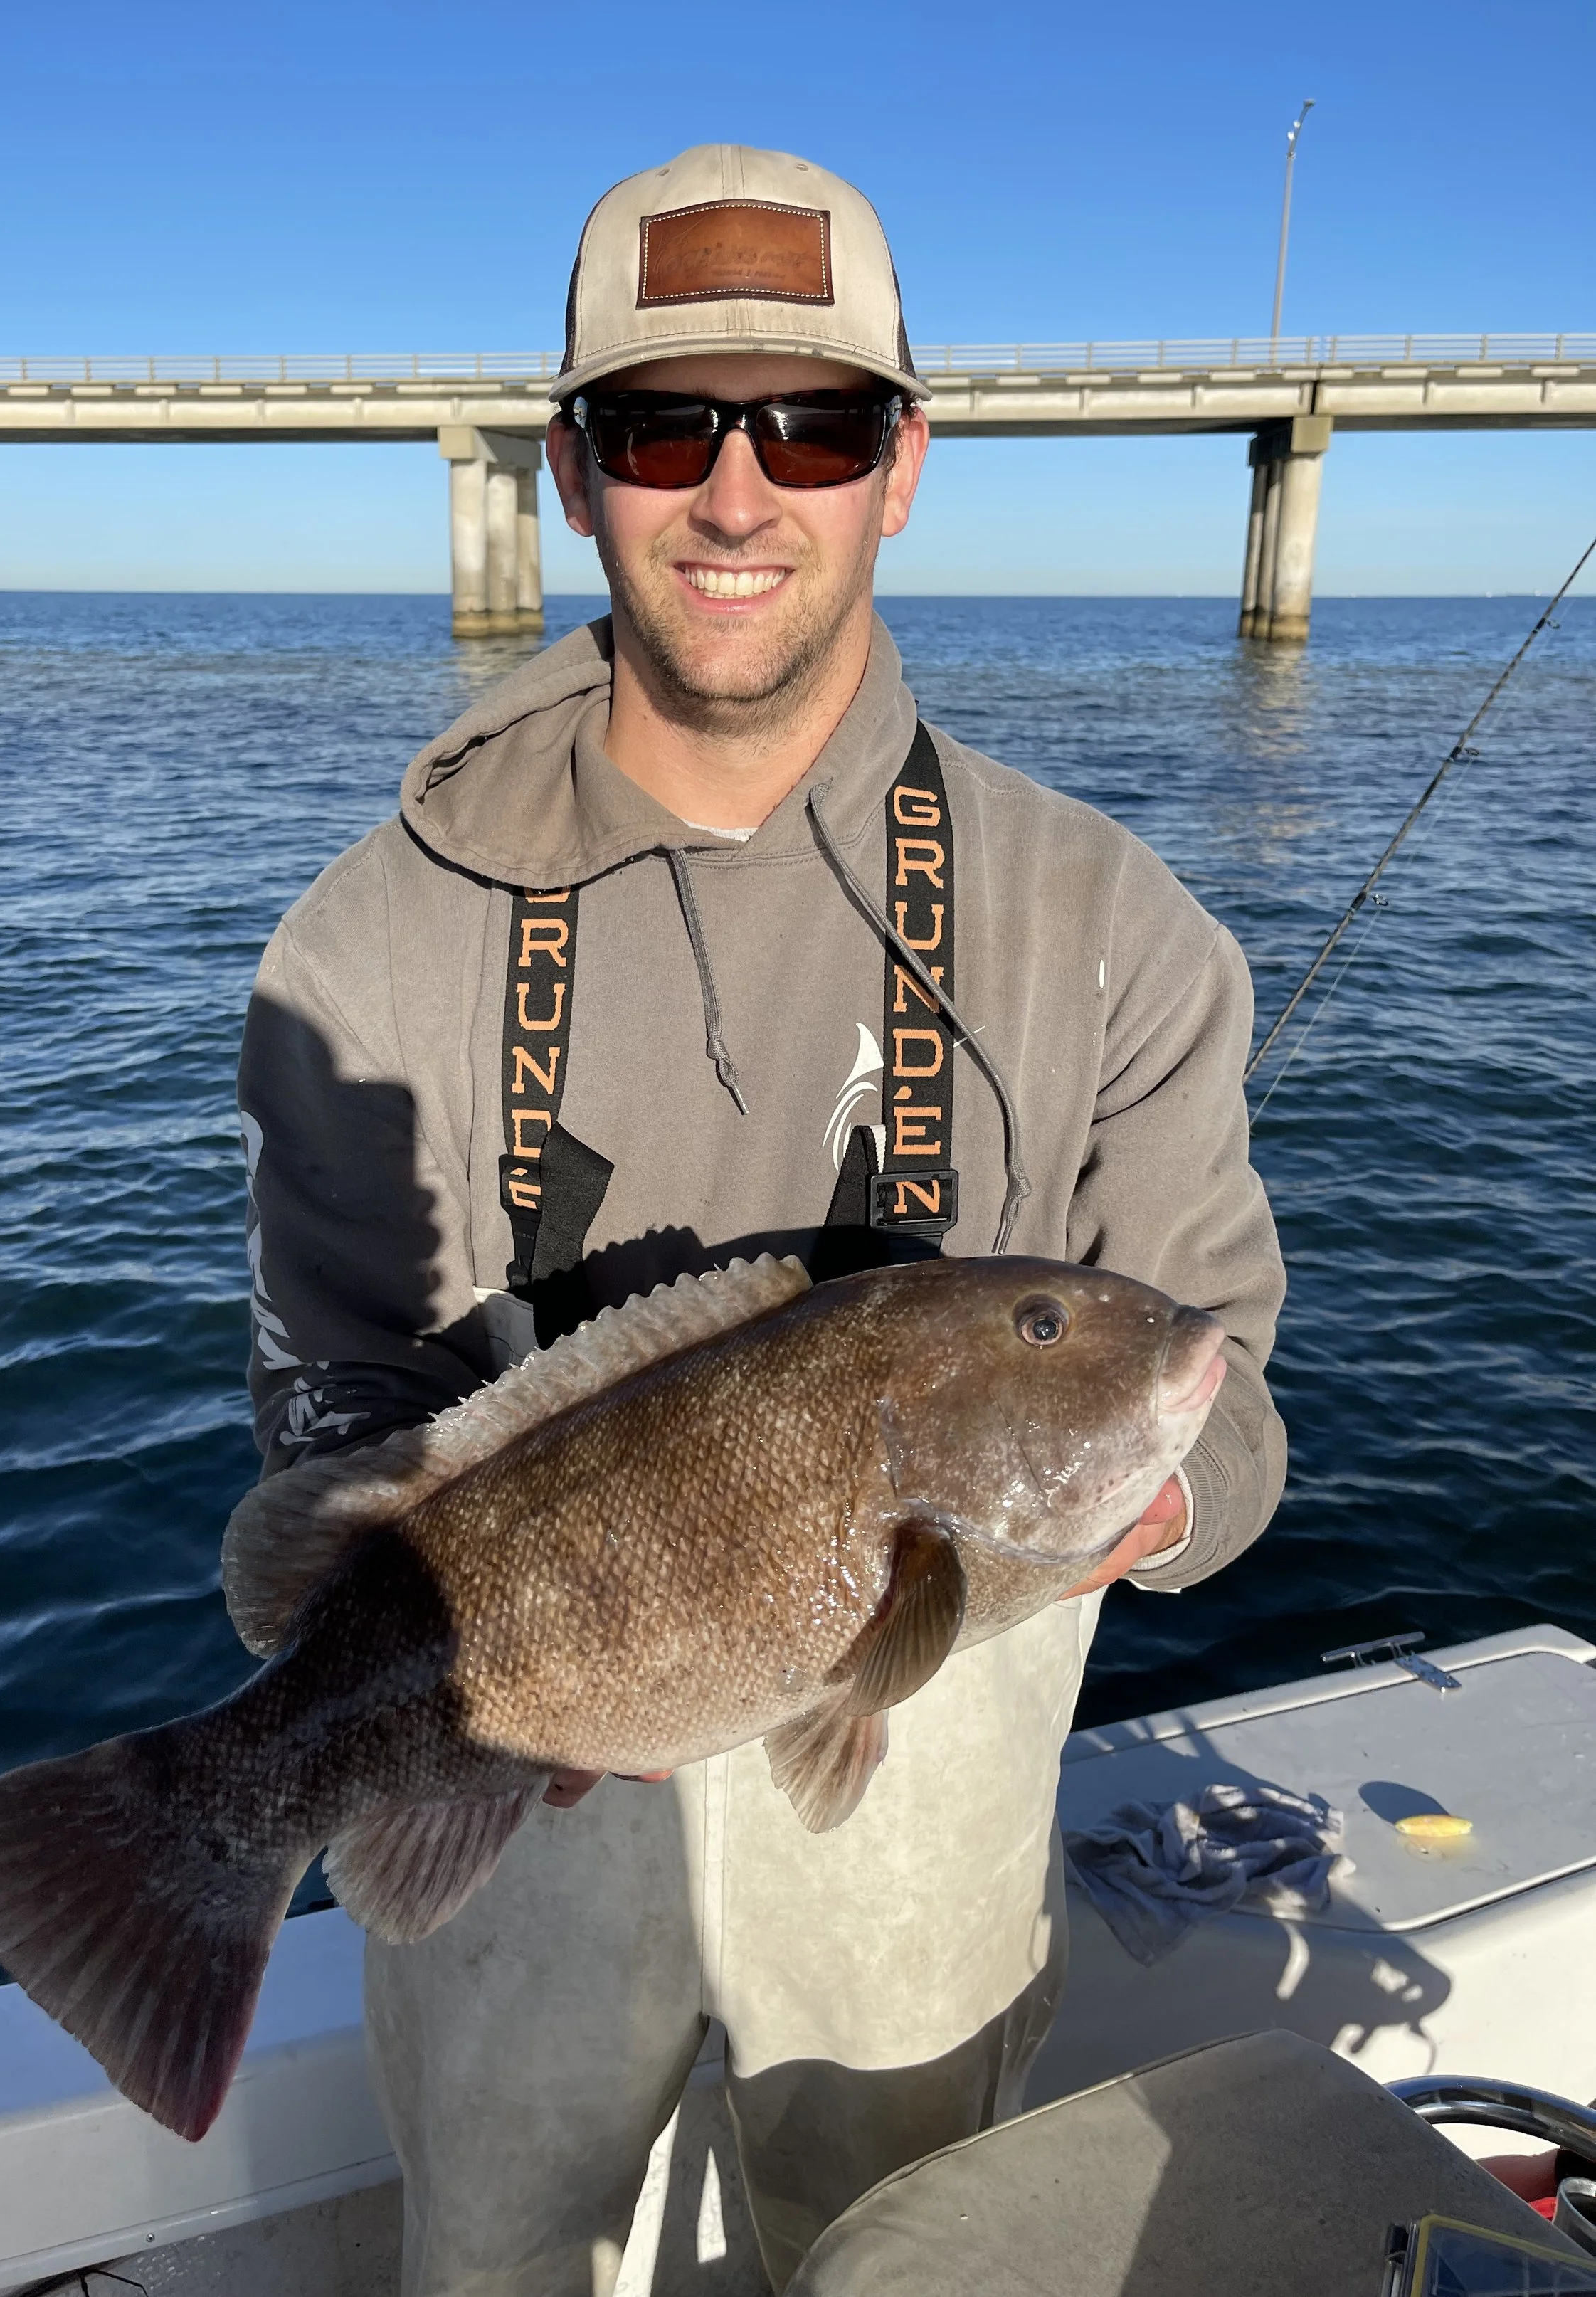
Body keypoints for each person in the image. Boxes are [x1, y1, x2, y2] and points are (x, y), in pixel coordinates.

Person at [232, 144, 1286, 2297]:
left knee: (906, 2248)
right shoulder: (361, 953)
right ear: (570, 470)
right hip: (508, 1760)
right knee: (496, 2252)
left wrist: (1146, 1498)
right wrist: (462, 1662)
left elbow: (1229, 1400)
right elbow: (325, 1428)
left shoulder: (1115, 930)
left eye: (805, 423)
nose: (735, 493)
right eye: (660, 425)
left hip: (920, 1771)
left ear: (898, 465)